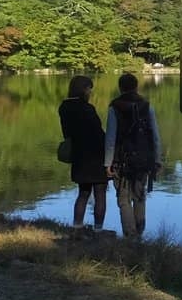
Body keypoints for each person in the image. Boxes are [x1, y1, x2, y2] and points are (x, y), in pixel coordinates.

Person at [105, 73, 162, 238]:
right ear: (137, 86)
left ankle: (130, 235)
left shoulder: (115, 108)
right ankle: (140, 231)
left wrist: (107, 163)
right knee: (140, 196)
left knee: (123, 199)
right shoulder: (146, 106)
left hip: (121, 161)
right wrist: (157, 160)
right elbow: (155, 136)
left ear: (120, 88)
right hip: (143, 160)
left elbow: (110, 138)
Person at [58, 75, 108, 233]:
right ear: (83, 90)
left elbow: (67, 132)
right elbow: (98, 132)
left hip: (79, 155)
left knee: (83, 193)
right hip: (96, 155)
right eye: (89, 89)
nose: (90, 93)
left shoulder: (64, 107)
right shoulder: (87, 109)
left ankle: (77, 226)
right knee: (100, 193)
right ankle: (98, 230)